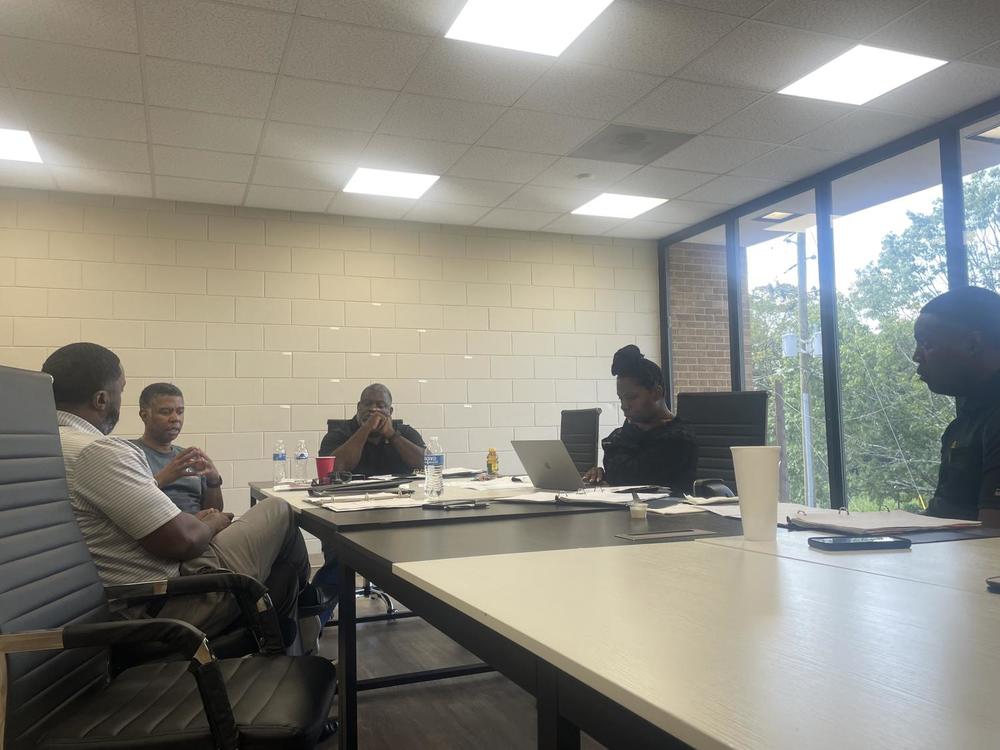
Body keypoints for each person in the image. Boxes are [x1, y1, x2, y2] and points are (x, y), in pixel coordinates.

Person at [42, 342, 309, 642]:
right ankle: (306, 625)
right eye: (121, 390)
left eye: (179, 411)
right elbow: (182, 542)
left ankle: (294, 633)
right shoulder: (99, 452)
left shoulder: (41, 447)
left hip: (119, 596)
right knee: (279, 510)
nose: (174, 418)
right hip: (165, 601)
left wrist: (212, 486)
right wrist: (211, 522)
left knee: (281, 572)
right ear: (102, 399)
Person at [913, 286, 1000, 524]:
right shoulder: (964, 424)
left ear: (973, 344)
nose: (916, 356)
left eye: (927, 344)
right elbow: (945, 516)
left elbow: (991, 538)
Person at [583, 345, 698, 493]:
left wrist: (610, 477)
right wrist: (599, 474)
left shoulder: (679, 437)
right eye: (621, 398)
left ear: (656, 393)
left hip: (668, 513)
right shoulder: (624, 435)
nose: (624, 406)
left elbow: (637, 478)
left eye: (631, 398)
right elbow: (620, 476)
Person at [132, 382, 224, 515]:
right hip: (163, 531)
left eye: (180, 412)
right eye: (165, 412)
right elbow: (128, 506)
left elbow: (214, 511)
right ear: (144, 415)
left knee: (264, 509)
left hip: (202, 530)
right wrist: (165, 477)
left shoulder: (189, 457)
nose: (175, 418)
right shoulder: (130, 454)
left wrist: (214, 481)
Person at [318, 383, 425, 475]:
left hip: (400, 495)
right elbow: (331, 471)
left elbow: (428, 464)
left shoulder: (405, 432)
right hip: (352, 496)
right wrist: (366, 429)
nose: (373, 409)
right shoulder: (338, 434)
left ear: (390, 411)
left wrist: (392, 435)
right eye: (367, 404)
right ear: (359, 407)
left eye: (381, 405)